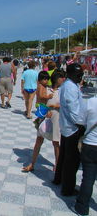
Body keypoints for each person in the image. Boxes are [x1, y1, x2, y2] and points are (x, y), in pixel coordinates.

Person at [22, 70, 65, 172]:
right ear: (56, 79)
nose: (63, 79)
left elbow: (66, 106)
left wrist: (54, 106)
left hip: (57, 119)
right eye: (61, 77)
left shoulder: (62, 91)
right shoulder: (46, 89)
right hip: (45, 118)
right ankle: (32, 164)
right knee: (39, 140)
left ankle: (57, 166)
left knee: (56, 143)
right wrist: (45, 110)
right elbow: (41, 101)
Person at [53, 63, 85, 196]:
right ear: (71, 74)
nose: (81, 77)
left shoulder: (67, 85)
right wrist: (81, 124)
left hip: (66, 125)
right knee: (71, 160)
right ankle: (68, 188)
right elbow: (73, 110)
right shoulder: (71, 87)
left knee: (64, 155)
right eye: (78, 75)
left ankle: (58, 178)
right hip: (71, 126)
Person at [74, 96, 97, 215]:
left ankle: (82, 207)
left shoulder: (90, 102)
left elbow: (80, 121)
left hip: (91, 144)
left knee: (88, 178)